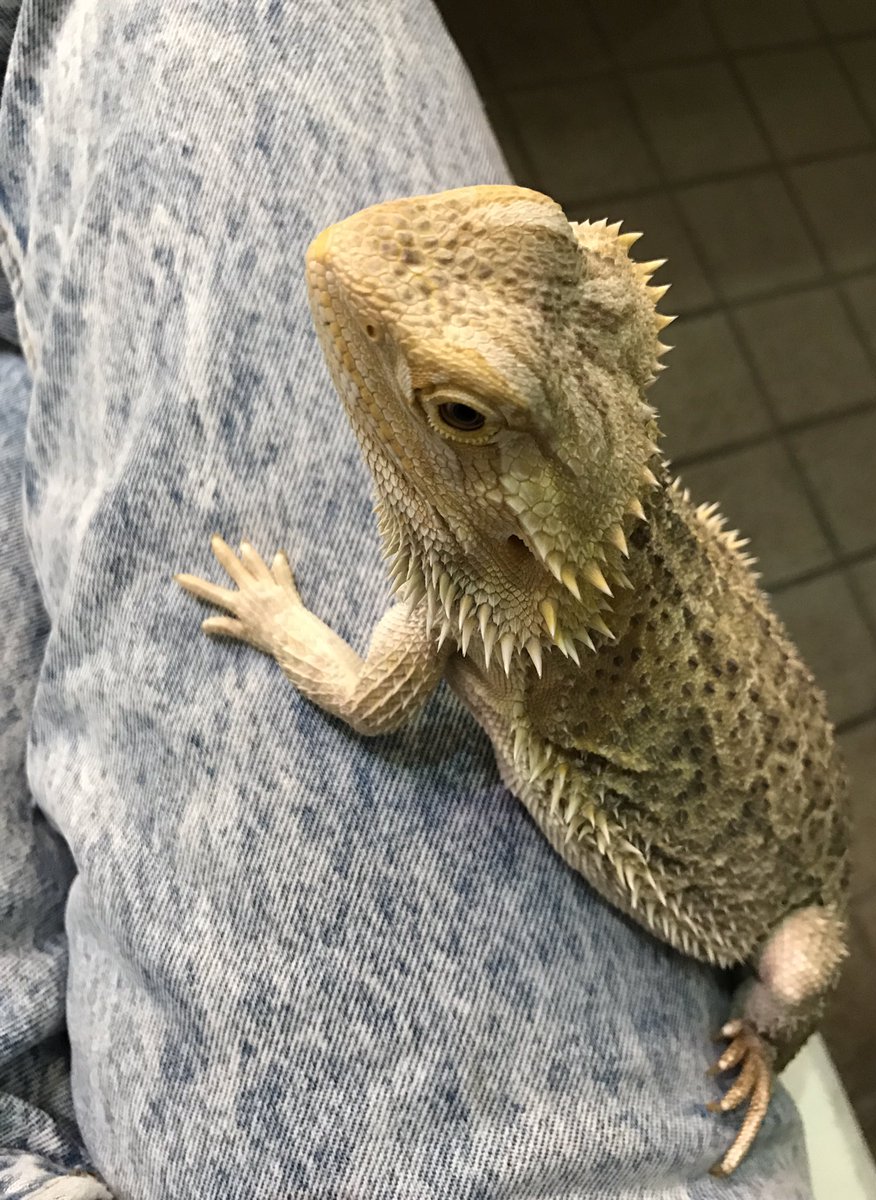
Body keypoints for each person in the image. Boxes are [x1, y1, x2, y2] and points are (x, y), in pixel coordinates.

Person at [0, 1, 812, 1195]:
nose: (349, 257)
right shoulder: (527, 558)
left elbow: (372, 700)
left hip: (756, 901)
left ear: (518, 532)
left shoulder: (500, 609)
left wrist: (278, 619)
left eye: (458, 413)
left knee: (796, 966)